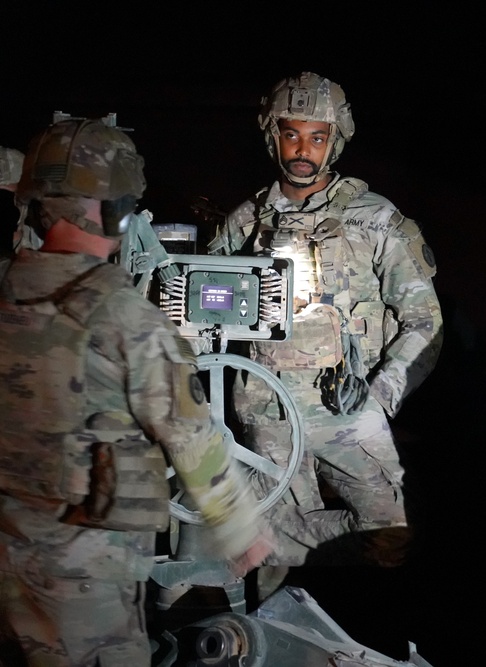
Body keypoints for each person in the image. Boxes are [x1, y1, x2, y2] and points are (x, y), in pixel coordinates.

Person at [0, 119, 272, 666]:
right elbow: (193, 436)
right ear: (118, 210)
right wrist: (244, 532)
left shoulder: (8, 290)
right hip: (85, 575)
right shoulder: (123, 315)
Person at [208, 72, 443, 584]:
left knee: (389, 537)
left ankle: (271, 543)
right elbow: (202, 315)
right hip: (266, 409)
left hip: (346, 409)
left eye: (317, 137)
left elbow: (424, 321)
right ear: (273, 135)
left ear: (335, 141)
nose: (303, 149)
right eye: (292, 134)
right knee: (258, 568)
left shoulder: (375, 219)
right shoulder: (245, 223)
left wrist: (379, 396)